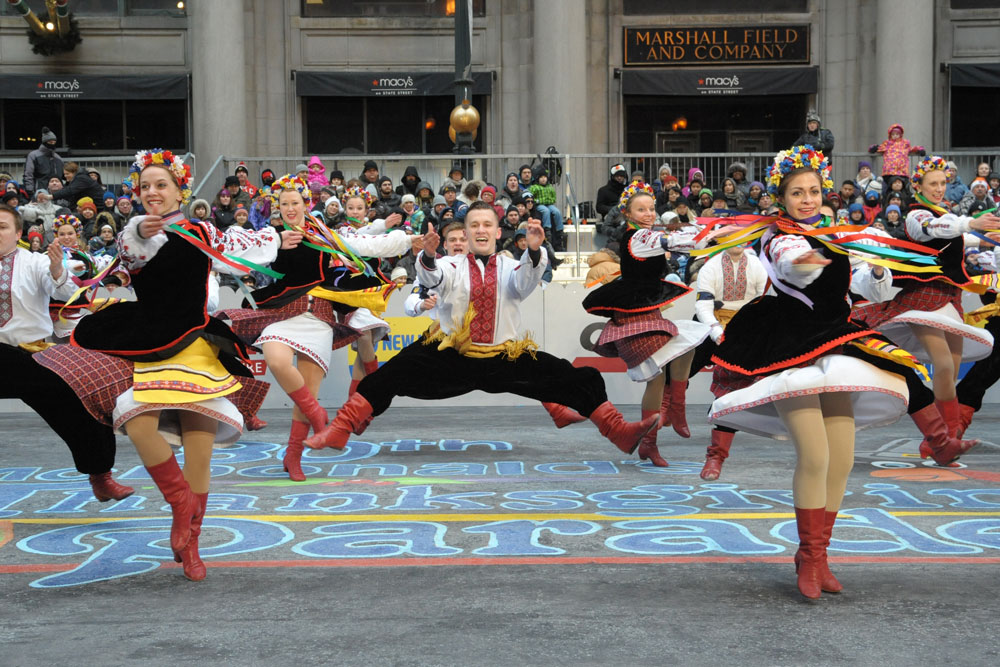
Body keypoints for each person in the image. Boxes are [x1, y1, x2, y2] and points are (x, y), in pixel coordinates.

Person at [707, 145, 950, 600]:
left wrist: (875, 269)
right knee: (815, 456)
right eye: (797, 192)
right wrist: (805, 262)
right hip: (788, 345)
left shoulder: (842, 235)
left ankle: (817, 556)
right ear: (780, 198)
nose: (807, 199)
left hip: (836, 342)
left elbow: (860, 283)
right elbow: (788, 261)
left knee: (842, 459)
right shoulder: (776, 234)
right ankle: (807, 552)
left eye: (814, 191)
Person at [61, 149, 293, 581]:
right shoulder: (133, 236)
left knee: (198, 447)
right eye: (145, 186)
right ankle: (179, 503)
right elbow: (129, 257)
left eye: (161, 184)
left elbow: (241, 246)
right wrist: (139, 231)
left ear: (180, 190)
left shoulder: (201, 228)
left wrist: (278, 238)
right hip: (151, 339)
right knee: (137, 421)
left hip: (195, 342)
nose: (152, 192)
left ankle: (193, 543)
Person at [303, 201, 659, 453]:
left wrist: (535, 251)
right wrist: (427, 256)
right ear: (467, 232)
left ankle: (619, 433)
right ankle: (339, 431)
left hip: (503, 357)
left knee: (579, 378)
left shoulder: (510, 266)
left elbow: (524, 284)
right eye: (474, 225)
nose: (481, 230)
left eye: (487, 224)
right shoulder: (451, 264)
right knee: (387, 375)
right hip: (450, 354)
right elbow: (432, 277)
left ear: (498, 230)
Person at [220, 177, 416, 483]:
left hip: (319, 317)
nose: (290, 209)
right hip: (283, 313)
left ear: (305, 205)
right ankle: (317, 414)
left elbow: (365, 244)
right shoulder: (269, 237)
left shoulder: (324, 235)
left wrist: (405, 240)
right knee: (275, 358)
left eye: (295, 203)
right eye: (284, 204)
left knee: (307, 389)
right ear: (278, 208)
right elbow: (237, 257)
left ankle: (293, 456)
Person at [851, 156, 998, 460]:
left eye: (943, 183)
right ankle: (949, 434)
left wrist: (981, 237)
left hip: (949, 296)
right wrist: (969, 223)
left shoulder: (946, 212)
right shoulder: (916, 216)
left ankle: (937, 440)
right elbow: (936, 229)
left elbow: (953, 236)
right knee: (943, 363)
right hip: (924, 298)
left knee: (953, 365)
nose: (939, 188)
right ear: (917, 185)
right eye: (933, 183)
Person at [0, 203, 134, 504]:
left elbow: (62, 291)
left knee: (82, 394)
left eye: (2, 226)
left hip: (29, 355)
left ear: (19, 233)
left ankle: (100, 474)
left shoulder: (34, 262)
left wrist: (57, 268)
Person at [582, 182, 711, 467]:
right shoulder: (639, 237)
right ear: (627, 212)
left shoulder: (647, 234)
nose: (649, 214)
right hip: (635, 317)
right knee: (660, 372)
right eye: (641, 209)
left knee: (687, 345)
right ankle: (658, 430)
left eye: (652, 208)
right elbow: (677, 242)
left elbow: (675, 237)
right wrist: (707, 232)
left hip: (648, 315)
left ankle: (673, 408)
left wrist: (703, 228)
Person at [689, 239, 768, 480]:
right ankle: (670, 402)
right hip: (714, 321)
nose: (738, 242)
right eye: (732, 238)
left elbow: (764, 301)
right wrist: (715, 329)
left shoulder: (757, 265)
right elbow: (703, 304)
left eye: (743, 237)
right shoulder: (710, 267)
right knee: (686, 362)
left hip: (748, 323)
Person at [22, 127, 64, 197]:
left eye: (54, 142)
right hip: (39, 193)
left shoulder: (58, 158)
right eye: (50, 142)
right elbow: (28, 175)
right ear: (45, 142)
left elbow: (63, 176)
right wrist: (31, 192)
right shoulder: (33, 155)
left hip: (57, 195)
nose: (52, 144)